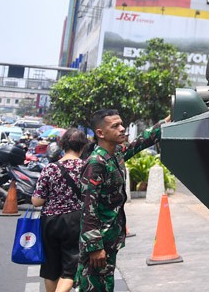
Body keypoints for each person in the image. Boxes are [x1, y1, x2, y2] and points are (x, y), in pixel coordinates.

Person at [75, 110, 167, 291]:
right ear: (100, 133)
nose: (122, 128)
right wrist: (94, 246)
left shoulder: (115, 154)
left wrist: (166, 121)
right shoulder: (96, 163)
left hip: (110, 238)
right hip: (99, 242)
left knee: (105, 285)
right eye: (115, 126)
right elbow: (88, 206)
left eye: (122, 124)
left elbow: (141, 141)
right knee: (93, 287)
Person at [31, 128, 89, 292]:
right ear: (83, 146)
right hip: (75, 221)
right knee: (70, 269)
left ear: (62, 145)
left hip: (50, 221)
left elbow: (37, 201)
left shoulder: (50, 168)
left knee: (51, 268)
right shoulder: (87, 168)